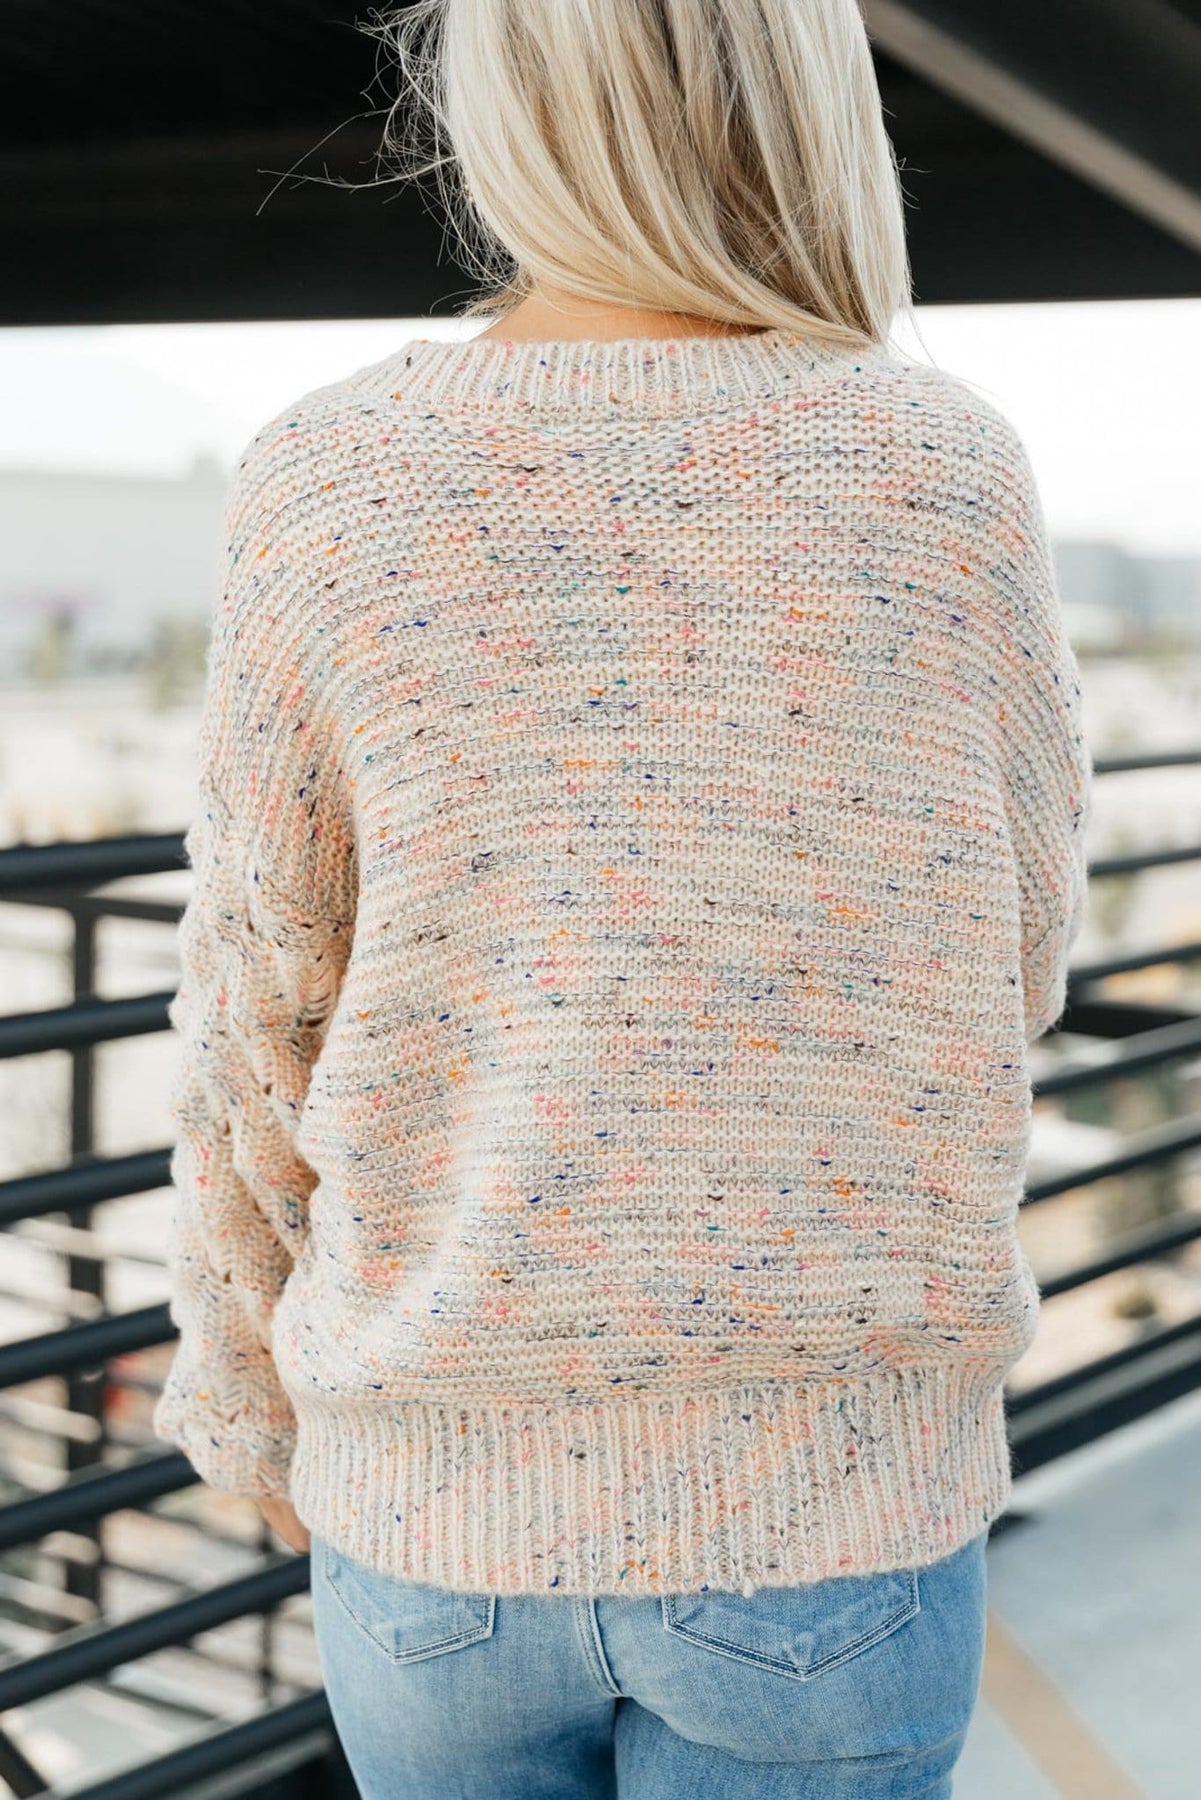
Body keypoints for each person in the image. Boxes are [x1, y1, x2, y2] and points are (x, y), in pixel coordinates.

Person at [152, 0, 1092, 1794]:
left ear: (500, 103)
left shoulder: (326, 480)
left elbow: (254, 1009)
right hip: (829, 1515)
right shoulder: (938, 472)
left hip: (429, 1520)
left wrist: (243, 1406)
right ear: (808, 101)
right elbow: (1010, 955)